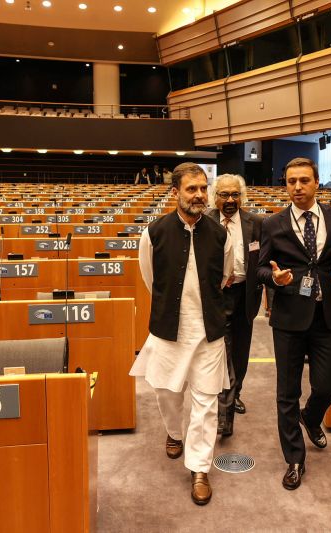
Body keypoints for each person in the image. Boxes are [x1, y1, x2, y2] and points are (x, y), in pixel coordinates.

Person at [130, 162, 233, 506]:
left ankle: (200, 467)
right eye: (192, 189)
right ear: (175, 193)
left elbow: (224, 277)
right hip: (168, 329)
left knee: (205, 402)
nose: (200, 195)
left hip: (209, 332)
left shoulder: (220, 234)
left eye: (204, 188)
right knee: (166, 392)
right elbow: (149, 277)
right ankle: (174, 432)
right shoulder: (154, 232)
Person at [256, 157, 331, 491]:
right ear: (285, 185)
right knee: (287, 392)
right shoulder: (272, 224)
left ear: (317, 182)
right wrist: (274, 277)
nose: (297, 187)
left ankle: (311, 417)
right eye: (290, 181)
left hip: (325, 314)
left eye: (303, 180)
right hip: (288, 318)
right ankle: (295, 459)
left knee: (328, 386)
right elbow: (260, 270)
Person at [206, 174, 263, 437]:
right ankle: (224, 412)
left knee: (240, 353)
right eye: (224, 195)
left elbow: (264, 263)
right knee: (222, 353)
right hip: (217, 297)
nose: (230, 200)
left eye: (235, 195)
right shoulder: (204, 221)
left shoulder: (257, 224)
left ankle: (235, 392)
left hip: (245, 296)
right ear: (214, 196)